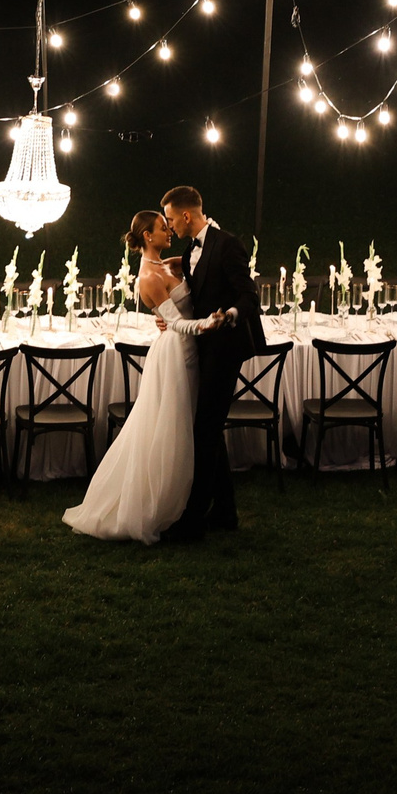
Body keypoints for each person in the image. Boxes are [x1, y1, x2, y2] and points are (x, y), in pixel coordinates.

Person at [62, 210, 231, 544]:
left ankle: (204, 502)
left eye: (169, 226)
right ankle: (163, 502)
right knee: (171, 426)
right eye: (163, 229)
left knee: (194, 424)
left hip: (190, 350)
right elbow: (177, 323)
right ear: (147, 237)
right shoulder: (149, 278)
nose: (170, 231)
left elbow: (203, 256)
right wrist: (206, 324)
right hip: (177, 353)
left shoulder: (168, 263)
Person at [158, 184, 267, 544]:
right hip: (204, 346)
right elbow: (197, 291)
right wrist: (170, 316)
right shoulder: (192, 248)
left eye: (172, 219)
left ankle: (193, 521)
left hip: (225, 347)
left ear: (187, 215)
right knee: (208, 427)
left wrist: (231, 315)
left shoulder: (227, 244)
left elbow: (248, 295)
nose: (170, 227)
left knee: (204, 429)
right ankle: (225, 512)